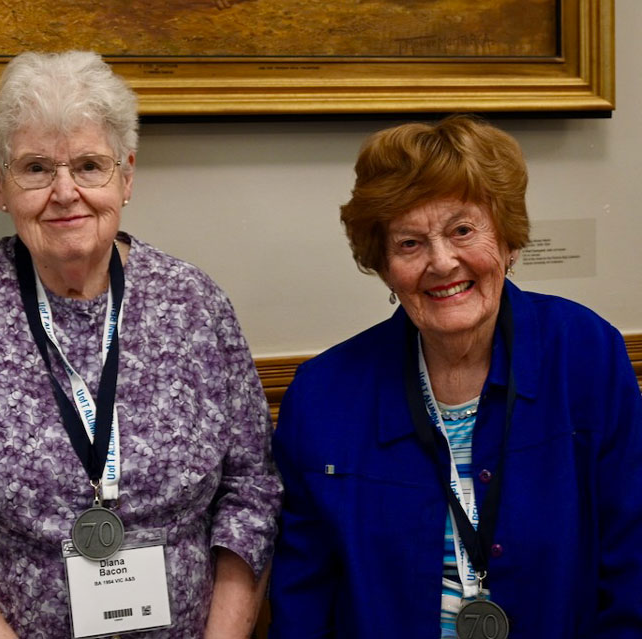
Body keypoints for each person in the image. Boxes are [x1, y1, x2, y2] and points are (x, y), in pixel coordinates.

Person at [0, 50, 282, 639]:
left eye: (89, 165)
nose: (65, 192)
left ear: (127, 176)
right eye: (37, 168)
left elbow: (250, 491)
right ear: (0, 184)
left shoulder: (195, 304)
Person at [268, 115, 642, 638]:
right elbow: (304, 597)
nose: (442, 262)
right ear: (384, 267)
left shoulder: (584, 354)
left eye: (463, 230)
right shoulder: (324, 395)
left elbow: (632, 563)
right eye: (410, 243)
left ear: (509, 241)